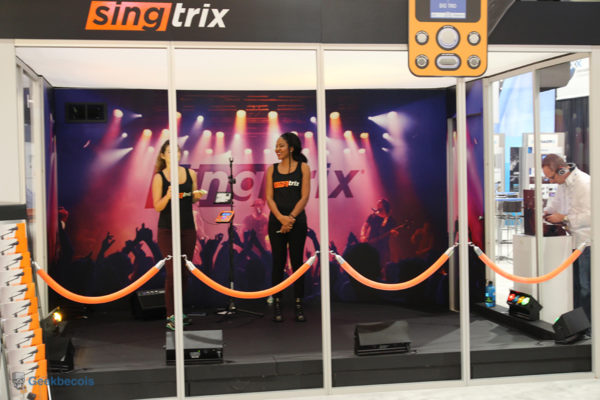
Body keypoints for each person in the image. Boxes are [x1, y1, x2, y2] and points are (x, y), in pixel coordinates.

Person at [152, 140, 203, 330]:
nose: (174, 154)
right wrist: (168, 196)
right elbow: (158, 206)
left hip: (187, 228)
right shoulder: (159, 177)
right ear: (163, 155)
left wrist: (197, 194)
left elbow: (193, 199)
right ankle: (171, 315)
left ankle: (179, 312)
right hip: (167, 229)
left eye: (177, 151)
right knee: (172, 272)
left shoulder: (190, 174)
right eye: (169, 151)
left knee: (184, 271)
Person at [266, 132, 311, 322]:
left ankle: (298, 303)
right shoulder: (272, 169)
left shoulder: (303, 168)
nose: (277, 149)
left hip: (297, 222)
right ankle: (277, 302)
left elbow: (305, 197)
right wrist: (281, 219)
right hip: (276, 221)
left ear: (291, 148)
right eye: (276, 146)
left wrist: (290, 219)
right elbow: (269, 197)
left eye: (281, 145)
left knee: (297, 262)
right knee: (278, 262)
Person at [542, 153, 591, 322]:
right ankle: (579, 324)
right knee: (575, 286)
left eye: (552, 177)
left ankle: (590, 327)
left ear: (562, 170)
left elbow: (591, 215)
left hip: (588, 243)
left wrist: (564, 218)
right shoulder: (563, 184)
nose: (551, 181)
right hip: (573, 243)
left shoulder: (584, 183)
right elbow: (554, 204)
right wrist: (544, 213)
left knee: (586, 287)